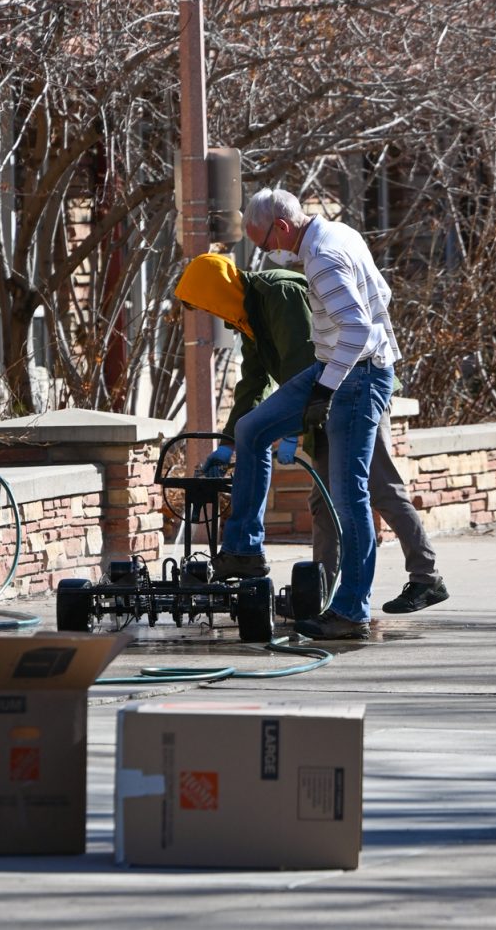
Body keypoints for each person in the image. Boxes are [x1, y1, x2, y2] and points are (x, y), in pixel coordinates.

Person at [176, 253, 448, 614]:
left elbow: (305, 361)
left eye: (206, 304)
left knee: (381, 488)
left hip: (355, 391)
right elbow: (253, 383)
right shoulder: (249, 315)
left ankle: (426, 577)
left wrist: (291, 431)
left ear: (216, 290)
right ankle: (320, 596)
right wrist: (229, 444)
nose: (211, 315)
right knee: (323, 502)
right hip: (323, 403)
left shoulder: (280, 293)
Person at [206, 188, 400, 639]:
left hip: (357, 378)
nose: (265, 252)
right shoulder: (340, 232)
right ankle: (244, 549)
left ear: (284, 226)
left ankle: (351, 611)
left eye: (264, 241)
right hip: (332, 366)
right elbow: (381, 292)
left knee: (349, 499)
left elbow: (357, 328)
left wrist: (325, 389)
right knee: (253, 430)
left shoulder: (323, 257)